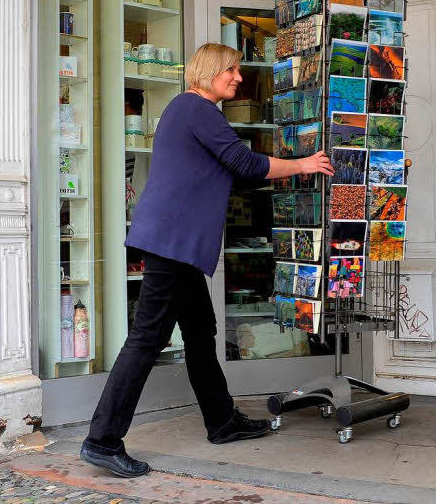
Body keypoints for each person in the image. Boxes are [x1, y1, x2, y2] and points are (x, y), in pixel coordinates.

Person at [80, 43, 335, 478]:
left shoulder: (190, 112)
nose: (238, 77)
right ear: (211, 71)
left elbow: (230, 171)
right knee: (146, 339)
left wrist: (284, 170)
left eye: (238, 69)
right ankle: (102, 440)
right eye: (231, 70)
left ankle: (222, 421)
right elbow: (242, 162)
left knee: (200, 331)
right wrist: (302, 164)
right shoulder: (196, 109)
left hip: (176, 243)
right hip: (172, 243)